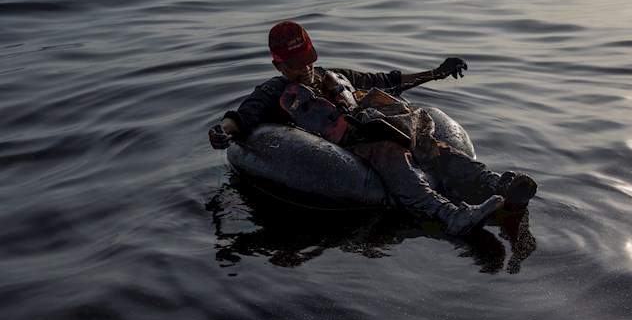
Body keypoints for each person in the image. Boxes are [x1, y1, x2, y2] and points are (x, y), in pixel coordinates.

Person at [209, 21, 537, 236]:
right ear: (278, 65)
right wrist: (223, 131)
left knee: (432, 146)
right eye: (295, 65)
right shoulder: (273, 93)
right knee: (391, 154)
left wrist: (436, 72)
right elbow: (243, 116)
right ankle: (449, 215)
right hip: (351, 144)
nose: (305, 69)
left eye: (308, 60)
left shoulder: (332, 75)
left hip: (378, 125)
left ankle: (496, 184)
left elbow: (386, 82)